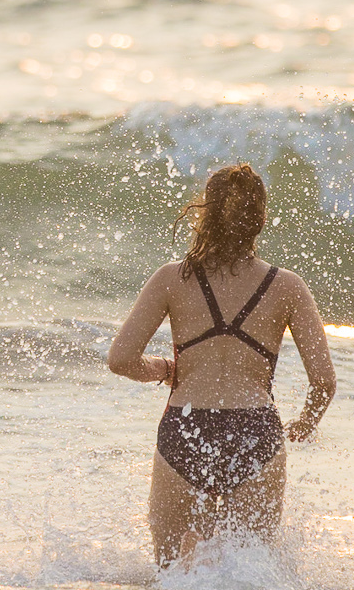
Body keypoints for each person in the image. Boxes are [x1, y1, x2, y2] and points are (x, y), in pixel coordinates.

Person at [107, 163, 336, 566]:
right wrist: (305, 423)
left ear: (205, 215)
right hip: (255, 433)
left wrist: (162, 368)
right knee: (251, 581)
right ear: (261, 220)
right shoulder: (287, 286)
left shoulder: (171, 279)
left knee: (171, 575)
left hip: (186, 427)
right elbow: (324, 382)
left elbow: (121, 359)